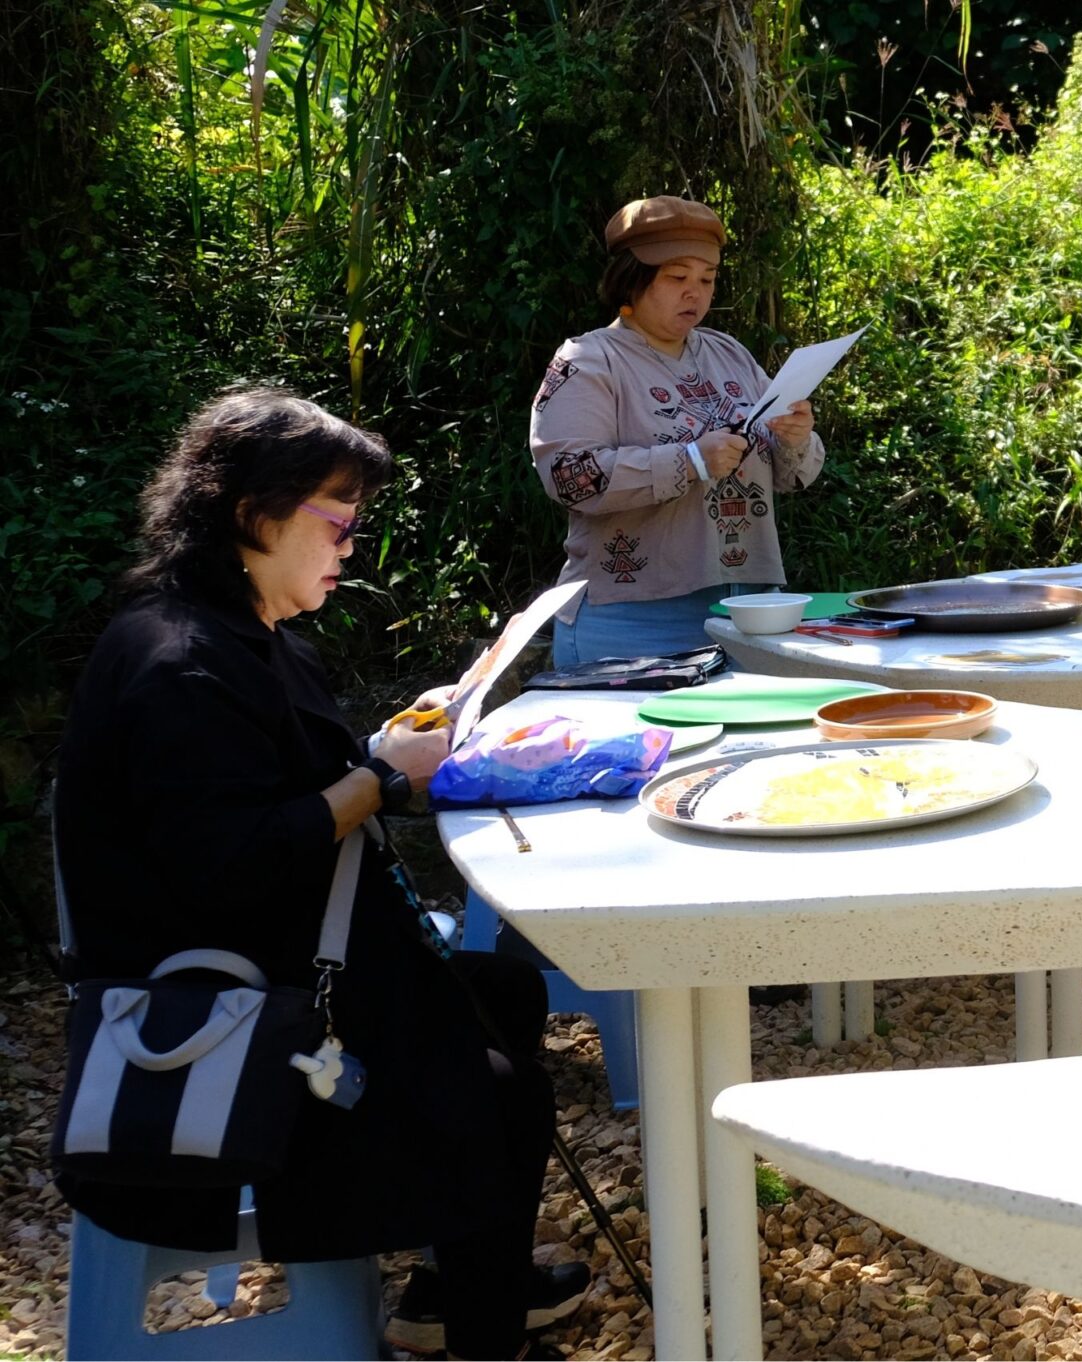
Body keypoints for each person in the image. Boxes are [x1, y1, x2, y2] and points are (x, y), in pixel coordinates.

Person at [55, 390, 587, 1360]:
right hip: (224, 1025)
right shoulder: (180, 663)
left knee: (500, 989)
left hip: (288, 968)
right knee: (500, 1089)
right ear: (256, 514)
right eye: (338, 523)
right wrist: (381, 780)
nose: (349, 548)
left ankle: (456, 1290)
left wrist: (390, 751)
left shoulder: (244, 634)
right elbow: (230, 863)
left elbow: (297, 785)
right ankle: (482, 1337)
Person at [531, 195, 826, 667]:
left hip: (747, 613)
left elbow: (792, 475)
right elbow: (570, 476)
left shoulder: (727, 352)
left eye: (707, 279)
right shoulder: (588, 360)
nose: (696, 293)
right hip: (631, 621)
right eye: (677, 277)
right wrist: (688, 460)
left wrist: (794, 438)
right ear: (632, 278)